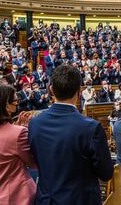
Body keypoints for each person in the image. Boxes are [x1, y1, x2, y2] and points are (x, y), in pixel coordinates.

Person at [28, 65, 113, 205]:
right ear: (80, 92)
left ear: (51, 90)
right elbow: (106, 173)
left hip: (46, 200)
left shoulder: (35, 123)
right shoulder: (91, 127)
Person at [0, 84, 37, 205]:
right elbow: (33, 163)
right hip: (16, 197)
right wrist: (24, 131)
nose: (17, 103)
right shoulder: (18, 134)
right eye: (15, 101)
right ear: (6, 105)